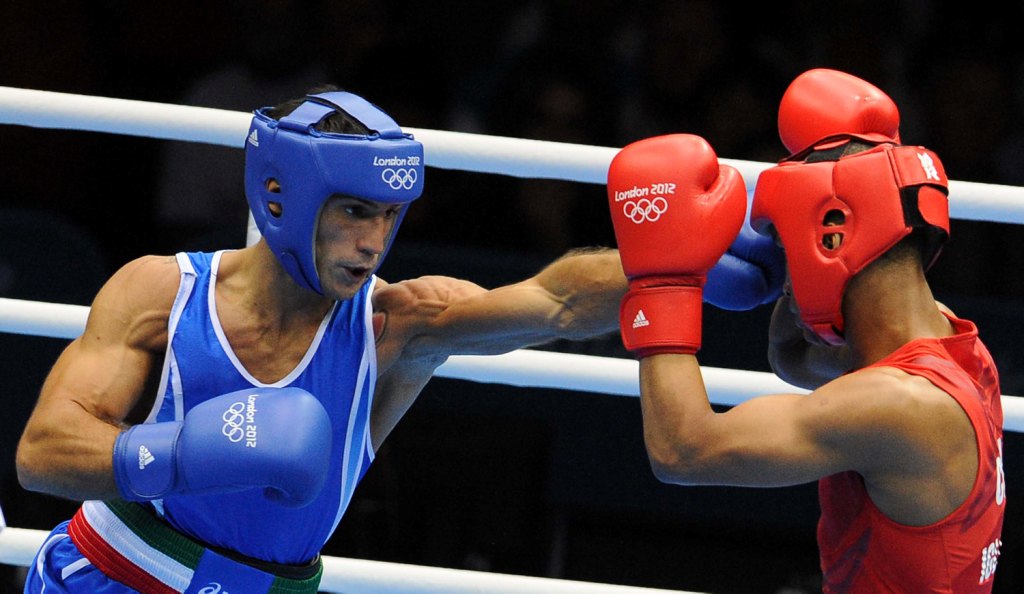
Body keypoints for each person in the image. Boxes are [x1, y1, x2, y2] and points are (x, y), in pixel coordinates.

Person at [15, 86, 783, 593]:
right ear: (280, 195)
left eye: (390, 216)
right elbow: (42, 453)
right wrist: (179, 456)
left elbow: (550, 302)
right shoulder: (163, 292)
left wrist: (676, 262)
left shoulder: (395, 325)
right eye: (354, 211)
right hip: (111, 571)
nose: (374, 242)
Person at [606, 68, 1005, 592]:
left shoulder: (902, 406)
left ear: (834, 237)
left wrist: (663, 281)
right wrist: (799, 255)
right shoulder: (957, 348)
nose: (779, 253)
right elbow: (794, 357)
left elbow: (684, 450)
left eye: (784, 239)